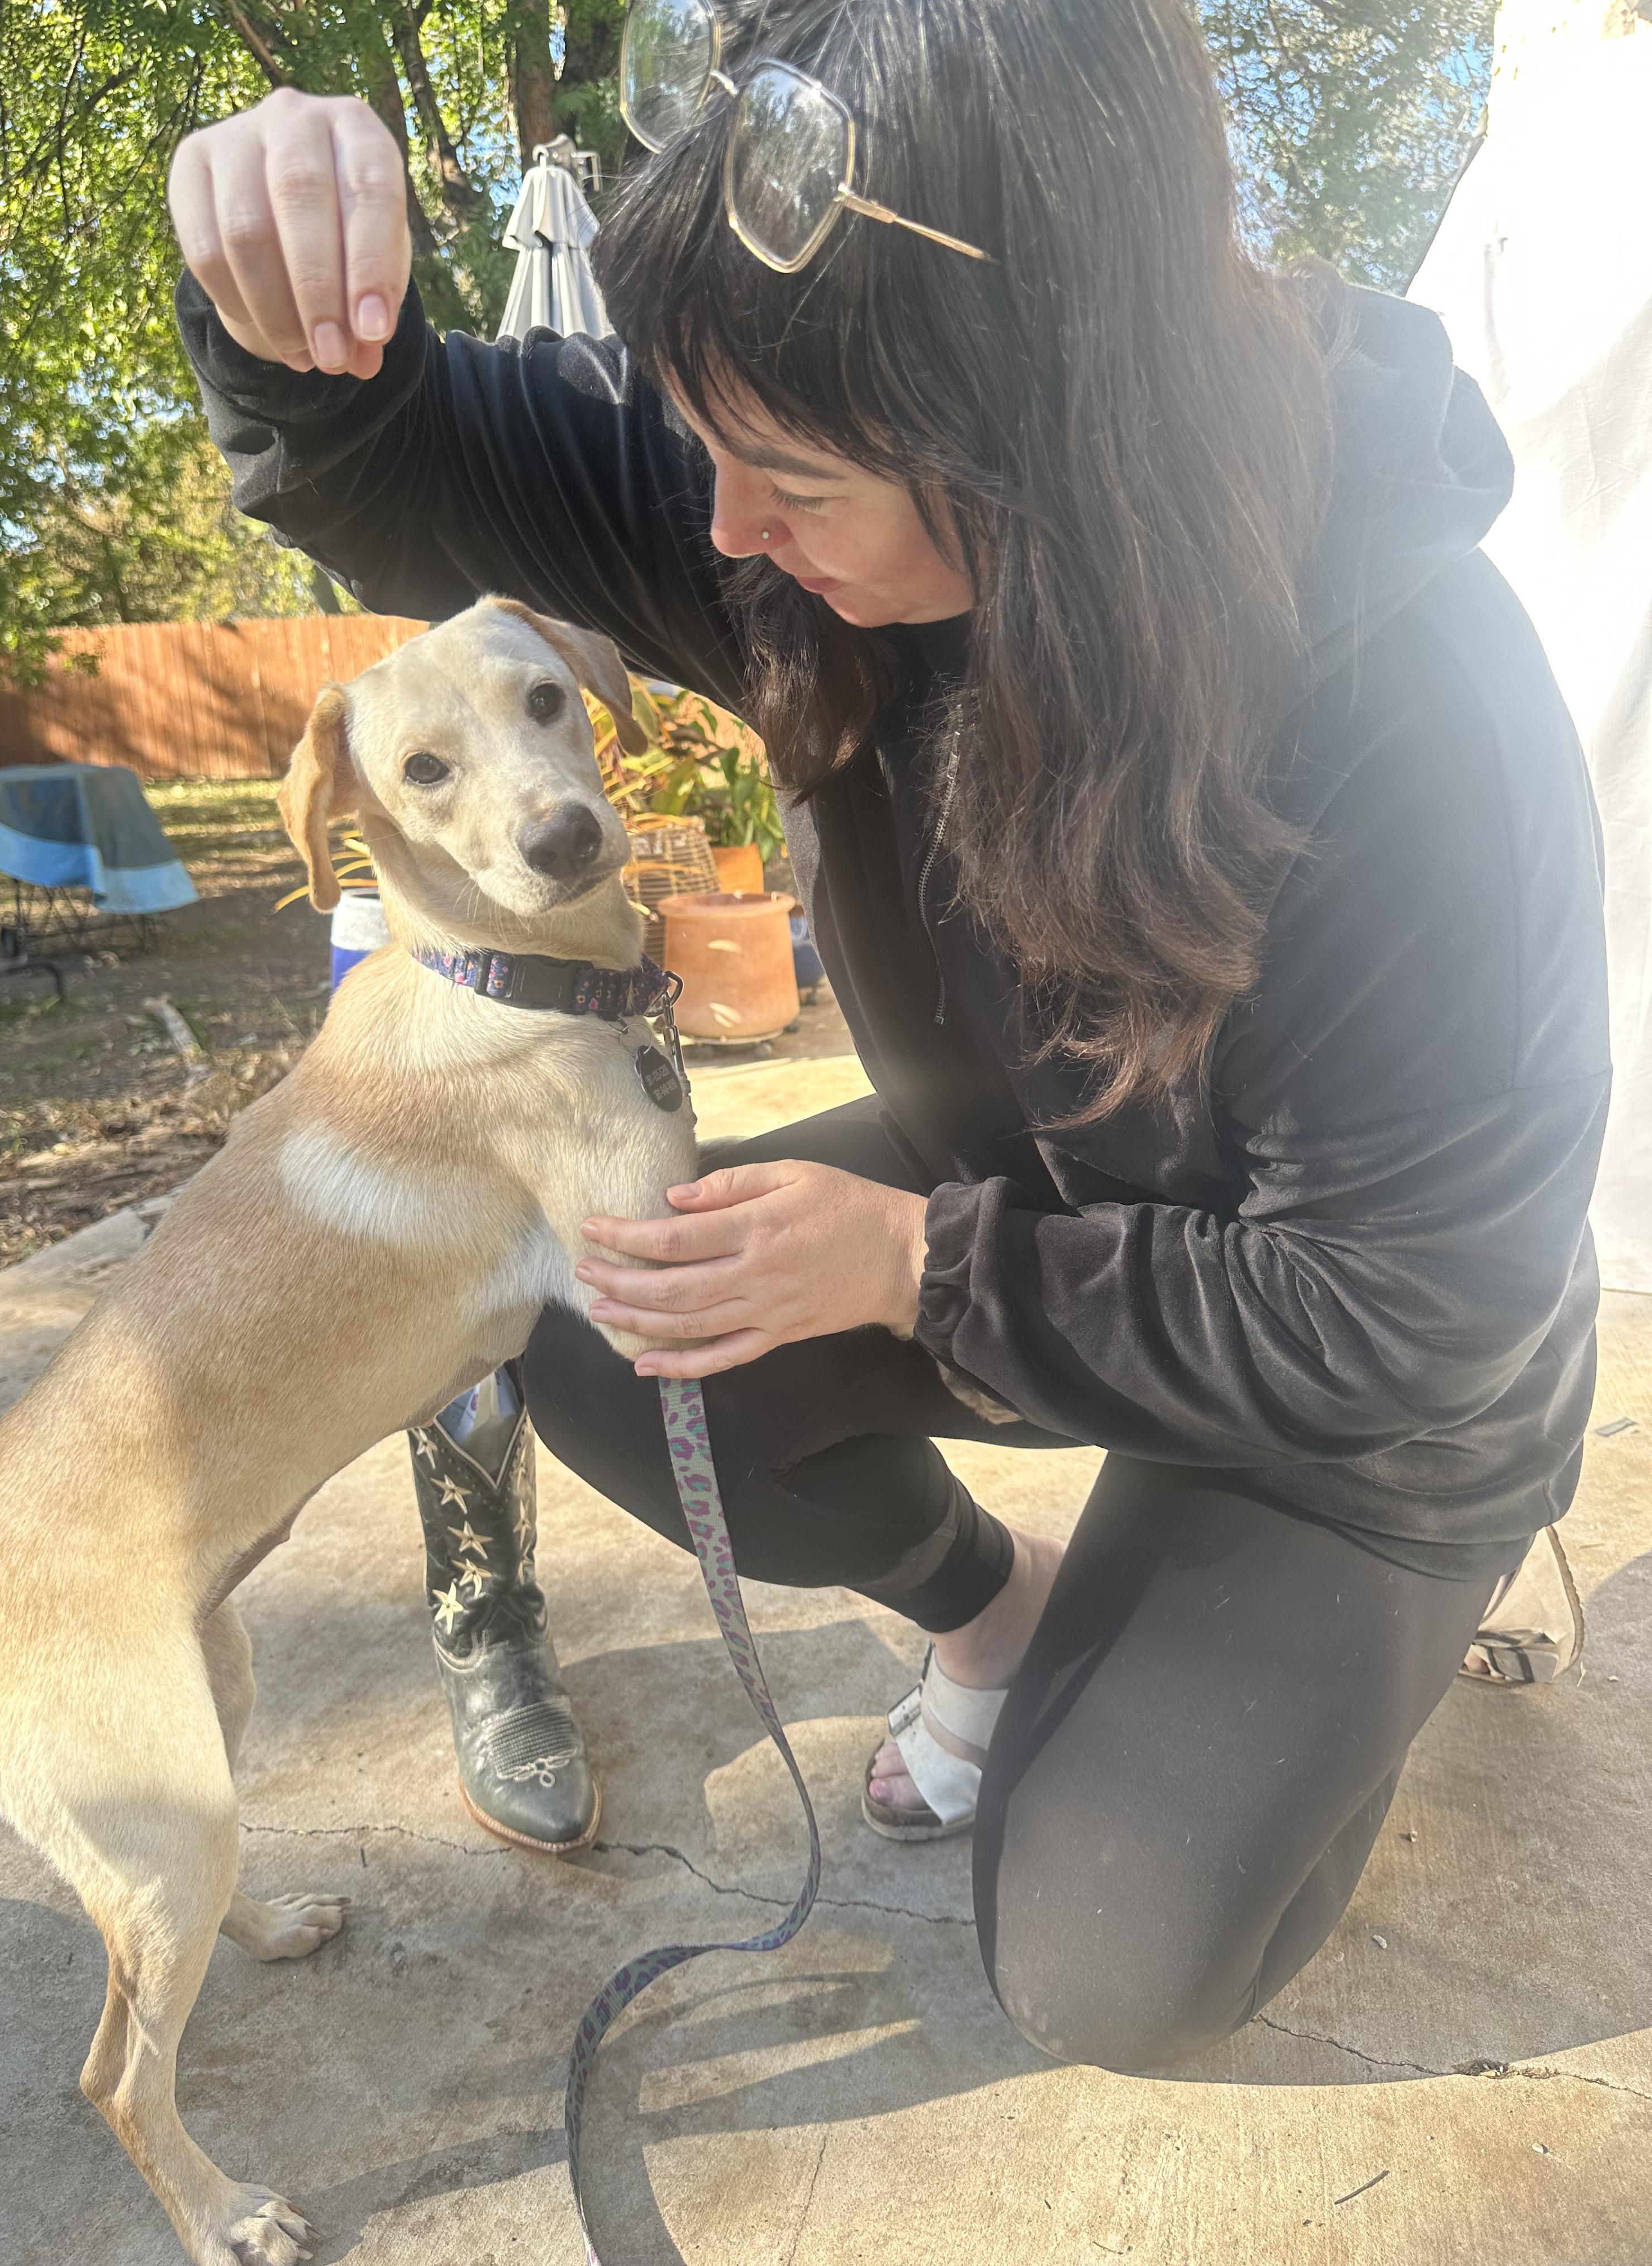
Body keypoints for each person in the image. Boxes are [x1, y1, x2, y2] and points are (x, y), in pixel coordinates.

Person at [170, 0, 1606, 2070]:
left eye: (787, 482)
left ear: (1041, 448)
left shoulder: (1410, 712)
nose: (722, 532)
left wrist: (919, 1264)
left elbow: (1399, 1303)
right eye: (707, 449)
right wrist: (292, 304)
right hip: (1052, 1190)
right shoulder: (796, 496)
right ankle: (1004, 1606)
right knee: (607, 1328)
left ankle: (1370, 1612)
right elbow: (402, 466)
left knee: (1110, 1964)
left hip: (1379, 1387)